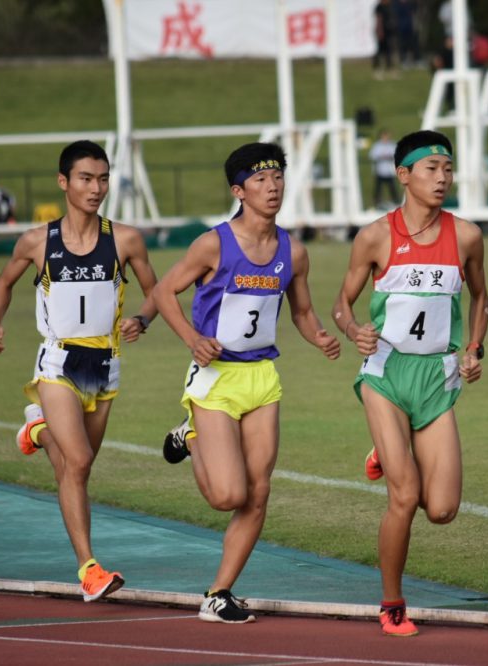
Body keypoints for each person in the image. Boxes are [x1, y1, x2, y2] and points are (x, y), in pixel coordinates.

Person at [157, 142, 340, 623]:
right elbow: (163, 291)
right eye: (260, 180)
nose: (272, 186)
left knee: (258, 492)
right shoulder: (213, 244)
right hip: (216, 378)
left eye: (277, 176)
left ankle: (218, 593)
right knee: (227, 497)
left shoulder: (293, 251)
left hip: (262, 377)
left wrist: (319, 335)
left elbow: (300, 310)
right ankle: (190, 433)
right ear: (239, 190)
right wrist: (193, 339)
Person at [0, 140, 158, 603]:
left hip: (104, 365)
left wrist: (141, 318)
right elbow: (3, 282)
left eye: (103, 178)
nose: (96, 187)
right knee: (78, 461)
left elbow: (155, 292)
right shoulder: (38, 241)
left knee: (74, 469)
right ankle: (89, 569)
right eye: (86, 178)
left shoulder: (124, 239)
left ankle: (38, 430)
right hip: (59, 361)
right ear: (64, 182)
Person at [332, 130, 488, 636]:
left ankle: (387, 449)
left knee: (441, 509)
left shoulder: (466, 236)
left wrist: (474, 349)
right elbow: (342, 304)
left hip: (436, 378)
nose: (442, 177)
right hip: (386, 373)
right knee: (404, 495)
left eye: (448, 168)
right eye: (430, 169)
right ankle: (392, 603)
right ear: (404, 175)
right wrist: (355, 330)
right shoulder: (376, 236)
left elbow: (482, 300)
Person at [370, 129, 399, 209]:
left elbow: (397, 155)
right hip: (380, 171)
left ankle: (396, 201)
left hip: (389, 171)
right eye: (384, 136)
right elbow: (372, 156)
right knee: (378, 189)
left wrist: (390, 157)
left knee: (392, 188)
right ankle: (376, 202)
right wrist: (381, 156)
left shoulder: (392, 145)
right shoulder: (377, 146)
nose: (386, 138)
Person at [373, 0, 397, 80]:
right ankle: (377, 70)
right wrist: (380, 31)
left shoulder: (389, 6)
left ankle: (389, 69)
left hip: (388, 32)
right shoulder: (379, 7)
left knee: (388, 51)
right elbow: (378, 20)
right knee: (379, 51)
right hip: (381, 32)